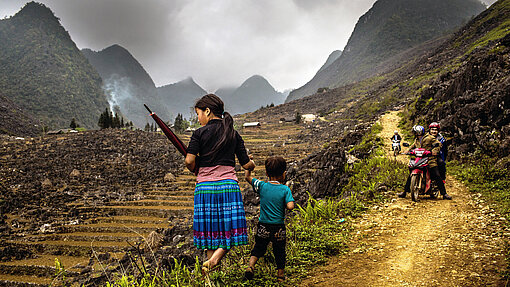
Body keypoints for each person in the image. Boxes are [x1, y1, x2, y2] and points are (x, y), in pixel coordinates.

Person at [185, 94, 256, 274]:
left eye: (198, 114)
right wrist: (252, 165)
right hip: (227, 187)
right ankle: (216, 260)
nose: (198, 118)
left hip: (205, 189)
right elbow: (246, 163)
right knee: (232, 229)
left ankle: (211, 271)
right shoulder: (232, 133)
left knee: (210, 234)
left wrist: (196, 168)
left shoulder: (199, 134)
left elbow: (189, 161)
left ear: (207, 111)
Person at [244, 156, 295, 282]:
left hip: (263, 226)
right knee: (279, 251)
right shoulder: (285, 189)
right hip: (278, 227)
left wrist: (249, 165)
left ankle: (251, 266)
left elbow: (247, 178)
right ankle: (280, 276)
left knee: (259, 247)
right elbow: (290, 206)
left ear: (266, 173)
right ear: (284, 174)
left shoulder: (261, 186)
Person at [398, 125, 452, 200]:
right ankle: (405, 192)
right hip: (419, 158)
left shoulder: (429, 137)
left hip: (430, 159)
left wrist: (434, 151)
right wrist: (407, 151)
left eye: (417, 132)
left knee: (436, 174)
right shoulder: (417, 139)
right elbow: (413, 146)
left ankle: (444, 193)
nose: (416, 134)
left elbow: (438, 144)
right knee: (411, 174)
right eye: (415, 133)